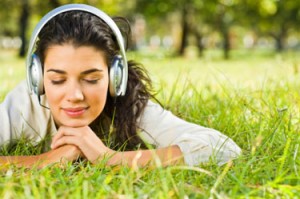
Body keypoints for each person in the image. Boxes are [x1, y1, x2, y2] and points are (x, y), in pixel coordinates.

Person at [0, 4, 241, 168]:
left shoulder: (128, 107)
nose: (74, 95)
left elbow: (224, 149)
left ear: (115, 77)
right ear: (38, 78)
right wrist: (47, 160)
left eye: (92, 79)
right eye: (57, 80)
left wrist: (111, 158)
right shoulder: (23, 105)